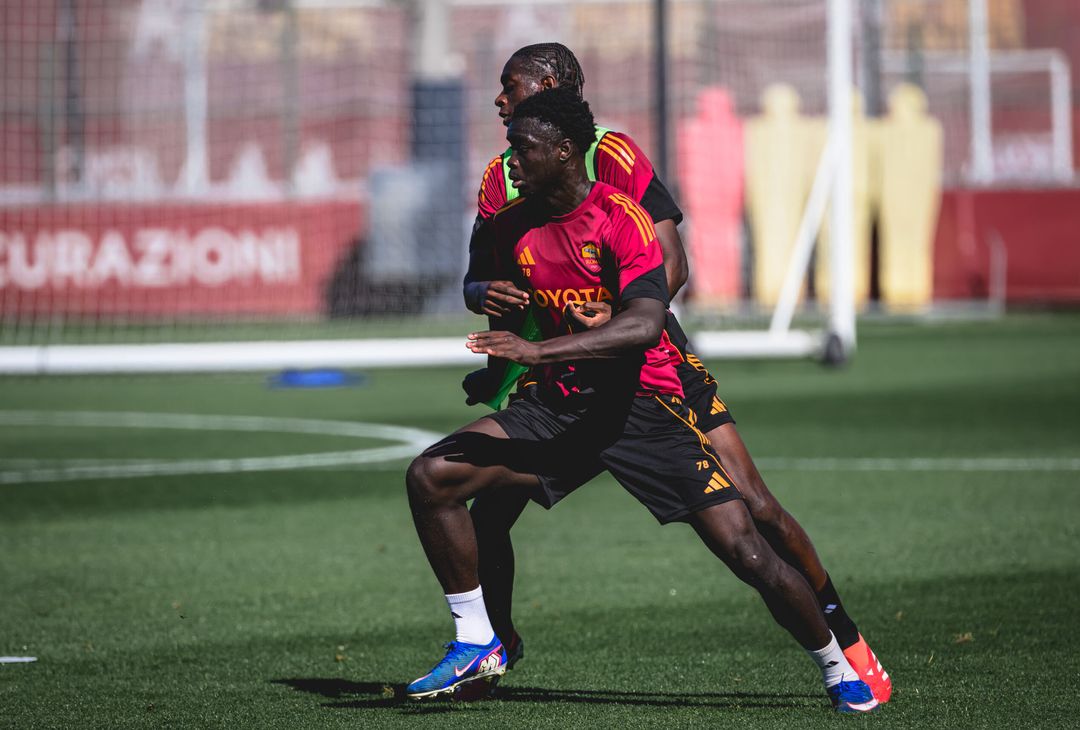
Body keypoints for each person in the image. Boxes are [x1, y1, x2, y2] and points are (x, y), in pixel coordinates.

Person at [404, 87, 878, 714]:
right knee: (432, 476)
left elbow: (648, 323)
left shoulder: (619, 217)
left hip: (643, 407)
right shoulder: (513, 224)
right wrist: (495, 318)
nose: (510, 161)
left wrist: (538, 351)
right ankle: (477, 640)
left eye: (523, 149)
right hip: (560, 409)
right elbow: (485, 285)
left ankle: (836, 663)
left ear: (564, 151)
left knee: (746, 549)